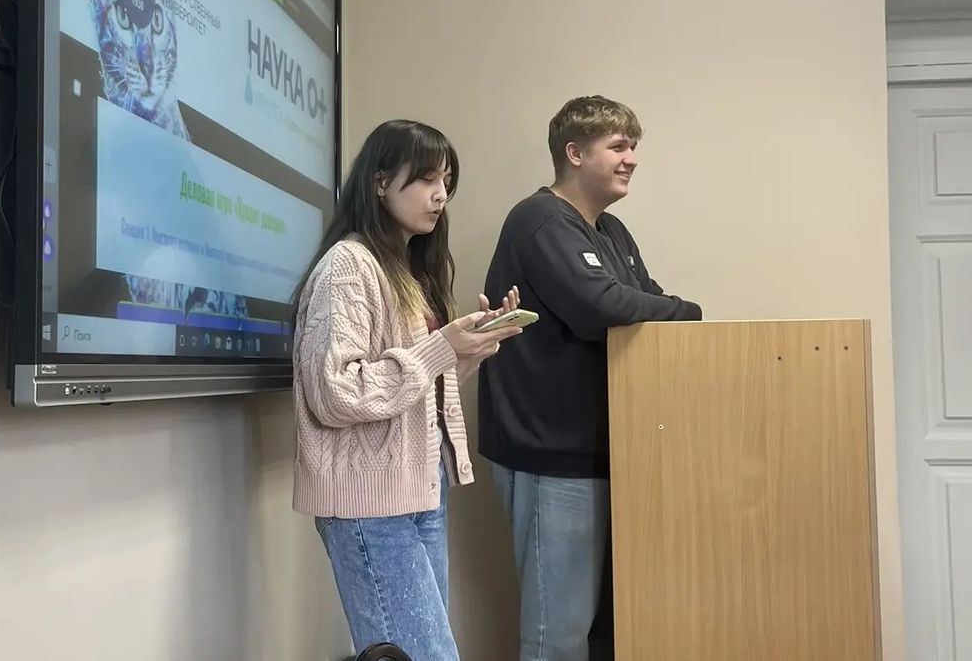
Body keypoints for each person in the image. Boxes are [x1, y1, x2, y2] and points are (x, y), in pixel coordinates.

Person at [478, 96, 702, 661]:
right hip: (550, 456)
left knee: (603, 634)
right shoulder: (538, 220)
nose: (632, 159)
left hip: (608, 450)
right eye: (618, 146)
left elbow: (645, 303)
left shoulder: (611, 231)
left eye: (633, 147)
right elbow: (602, 308)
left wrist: (665, 309)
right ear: (574, 153)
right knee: (560, 633)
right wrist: (688, 310)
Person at [292, 119, 522, 661]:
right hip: (371, 503)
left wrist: (466, 351)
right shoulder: (348, 265)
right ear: (380, 182)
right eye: (425, 179)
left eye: (447, 182)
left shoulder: (405, 268)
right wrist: (442, 346)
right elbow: (336, 392)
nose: (440, 195)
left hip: (420, 489)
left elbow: (409, 394)